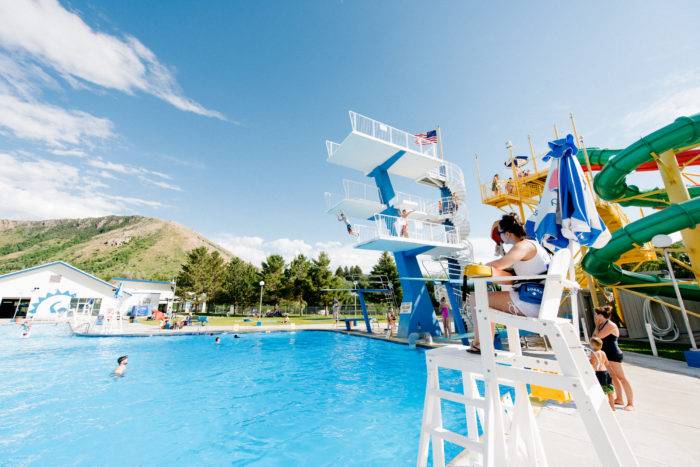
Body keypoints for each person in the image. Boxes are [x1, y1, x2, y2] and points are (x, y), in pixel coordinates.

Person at [467, 213, 551, 354]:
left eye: (500, 234)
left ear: (507, 234)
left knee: (475, 298)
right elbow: (513, 275)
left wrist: (479, 266)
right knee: (485, 300)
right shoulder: (534, 245)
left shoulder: (522, 247)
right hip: (538, 299)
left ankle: (481, 344)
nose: (500, 238)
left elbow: (500, 264)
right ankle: (483, 343)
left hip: (530, 303)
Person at [593, 306, 634, 411]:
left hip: (614, 355)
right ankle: (619, 399)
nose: (595, 316)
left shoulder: (611, 325)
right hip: (607, 355)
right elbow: (593, 339)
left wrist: (596, 325)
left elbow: (598, 338)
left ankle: (631, 404)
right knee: (613, 378)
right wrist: (597, 325)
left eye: (597, 314)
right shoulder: (601, 325)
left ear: (602, 316)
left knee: (622, 378)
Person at [589, 337, 616, 410]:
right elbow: (606, 363)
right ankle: (612, 407)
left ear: (593, 345)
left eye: (591, 344)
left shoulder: (593, 353)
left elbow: (592, 362)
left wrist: (588, 359)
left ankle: (601, 407)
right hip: (606, 372)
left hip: (599, 373)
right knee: (609, 390)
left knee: (600, 391)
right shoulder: (603, 352)